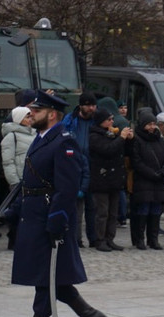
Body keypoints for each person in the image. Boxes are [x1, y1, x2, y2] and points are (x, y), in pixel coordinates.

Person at [0, 91, 107, 317]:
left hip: (50, 217)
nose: (31, 114)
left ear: (52, 114)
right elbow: (30, 184)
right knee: (48, 276)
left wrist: (57, 221)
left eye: (36, 110)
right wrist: (9, 212)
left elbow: (67, 188)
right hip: (34, 217)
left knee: (47, 277)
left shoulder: (63, 142)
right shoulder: (40, 139)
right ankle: (88, 314)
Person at [88, 108, 132, 252]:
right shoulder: (94, 136)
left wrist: (129, 139)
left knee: (114, 213)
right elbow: (108, 150)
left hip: (114, 179)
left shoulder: (112, 133)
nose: (112, 122)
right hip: (101, 179)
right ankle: (99, 239)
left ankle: (110, 238)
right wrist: (121, 138)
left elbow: (121, 151)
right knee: (102, 212)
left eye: (112, 119)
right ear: (101, 121)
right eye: (109, 120)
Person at [129, 110, 164, 250]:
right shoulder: (137, 140)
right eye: (149, 124)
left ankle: (153, 239)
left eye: (153, 124)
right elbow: (137, 162)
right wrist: (152, 174)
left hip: (159, 180)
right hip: (144, 181)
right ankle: (140, 239)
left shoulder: (158, 139)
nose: (152, 127)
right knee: (143, 210)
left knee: (156, 210)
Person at [61, 93, 96, 248]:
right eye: (88, 105)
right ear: (81, 105)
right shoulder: (70, 120)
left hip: (93, 166)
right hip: (75, 166)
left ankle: (94, 237)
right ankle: (76, 239)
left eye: (94, 105)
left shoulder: (97, 119)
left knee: (92, 207)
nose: (92, 108)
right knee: (76, 208)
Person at [0, 106, 36, 249]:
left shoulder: (34, 134)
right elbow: (8, 162)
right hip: (19, 181)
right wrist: (14, 181)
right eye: (27, 117)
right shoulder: (11, 136)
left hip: (33, 180)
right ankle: (14, 240)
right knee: (17, 212)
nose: (30, 119)